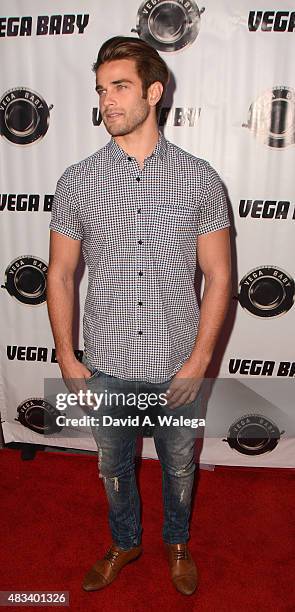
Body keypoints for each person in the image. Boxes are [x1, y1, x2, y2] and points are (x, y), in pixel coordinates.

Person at [47, 36, 231, 596]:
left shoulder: (200, 179)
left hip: (179, 365)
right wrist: (66, 356)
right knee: (113, 469)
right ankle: (125, 542)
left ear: (155, 92)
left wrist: (198, 362)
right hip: (105, 365)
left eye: (120, 87)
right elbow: (58, 274)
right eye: (102, 90)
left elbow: (221, 276)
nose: (108, 101)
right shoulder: (77, 180)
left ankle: (176, 541)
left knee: (179, 468)